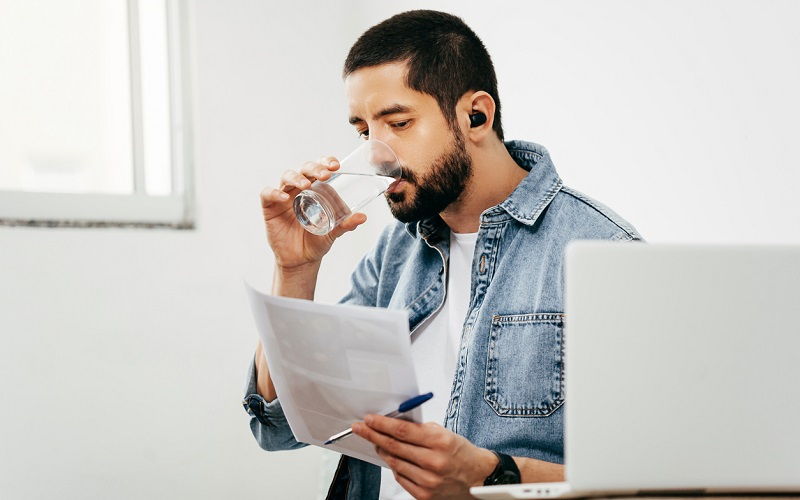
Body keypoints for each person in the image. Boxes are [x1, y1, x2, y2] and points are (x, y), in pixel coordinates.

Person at [242, 9, 642, 500]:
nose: (377, 154)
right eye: (364, 132)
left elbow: (646, 479)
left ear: (476, 115)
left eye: (399, 123)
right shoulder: (395, 253)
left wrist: (490, 476)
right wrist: (295, 269)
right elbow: (279, 427)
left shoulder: (602, 252)